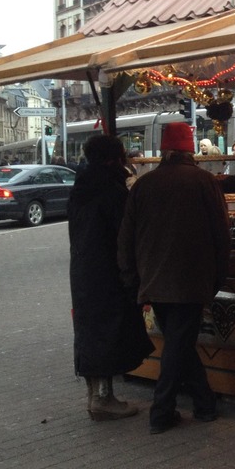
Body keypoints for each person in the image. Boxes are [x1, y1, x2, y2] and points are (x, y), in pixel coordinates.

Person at [118, 122, 231, 435]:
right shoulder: (205, 182)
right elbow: (222, 235)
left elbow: (125, 237)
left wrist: (132, 278)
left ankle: (205, 405)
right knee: (178, 345)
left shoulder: (143, 184)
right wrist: (217, 279)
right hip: (192, 279)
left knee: (179, 342)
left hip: (153, 279)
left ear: (163, 151)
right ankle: (161, 411)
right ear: (190, 150)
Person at [68, 135, 154, 421]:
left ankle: (95, 397)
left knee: (90, 331)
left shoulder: (82, 185)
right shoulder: (112, 189)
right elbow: (127, 234)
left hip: (83, 273)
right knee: (108, 332)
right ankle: (104, 399)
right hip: (109, 273)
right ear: (115, 157)